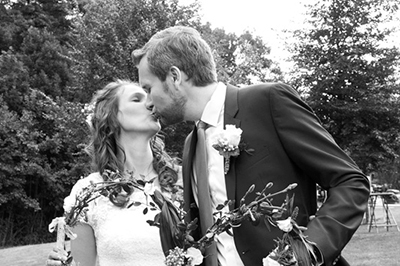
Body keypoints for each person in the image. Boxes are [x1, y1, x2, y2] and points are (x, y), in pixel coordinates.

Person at [131, 26, 370, 266]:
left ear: (174, 77)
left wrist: (306, 252)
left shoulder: (267, 102)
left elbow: (350, 182)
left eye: (148, 89)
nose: (148, 103)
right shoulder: (190, 144)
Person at [46, 80, 181, 266]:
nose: (151, 103)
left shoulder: (185, 179)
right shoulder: (88, 193)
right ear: (111, 120)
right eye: (136, 99)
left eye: (149, 96)